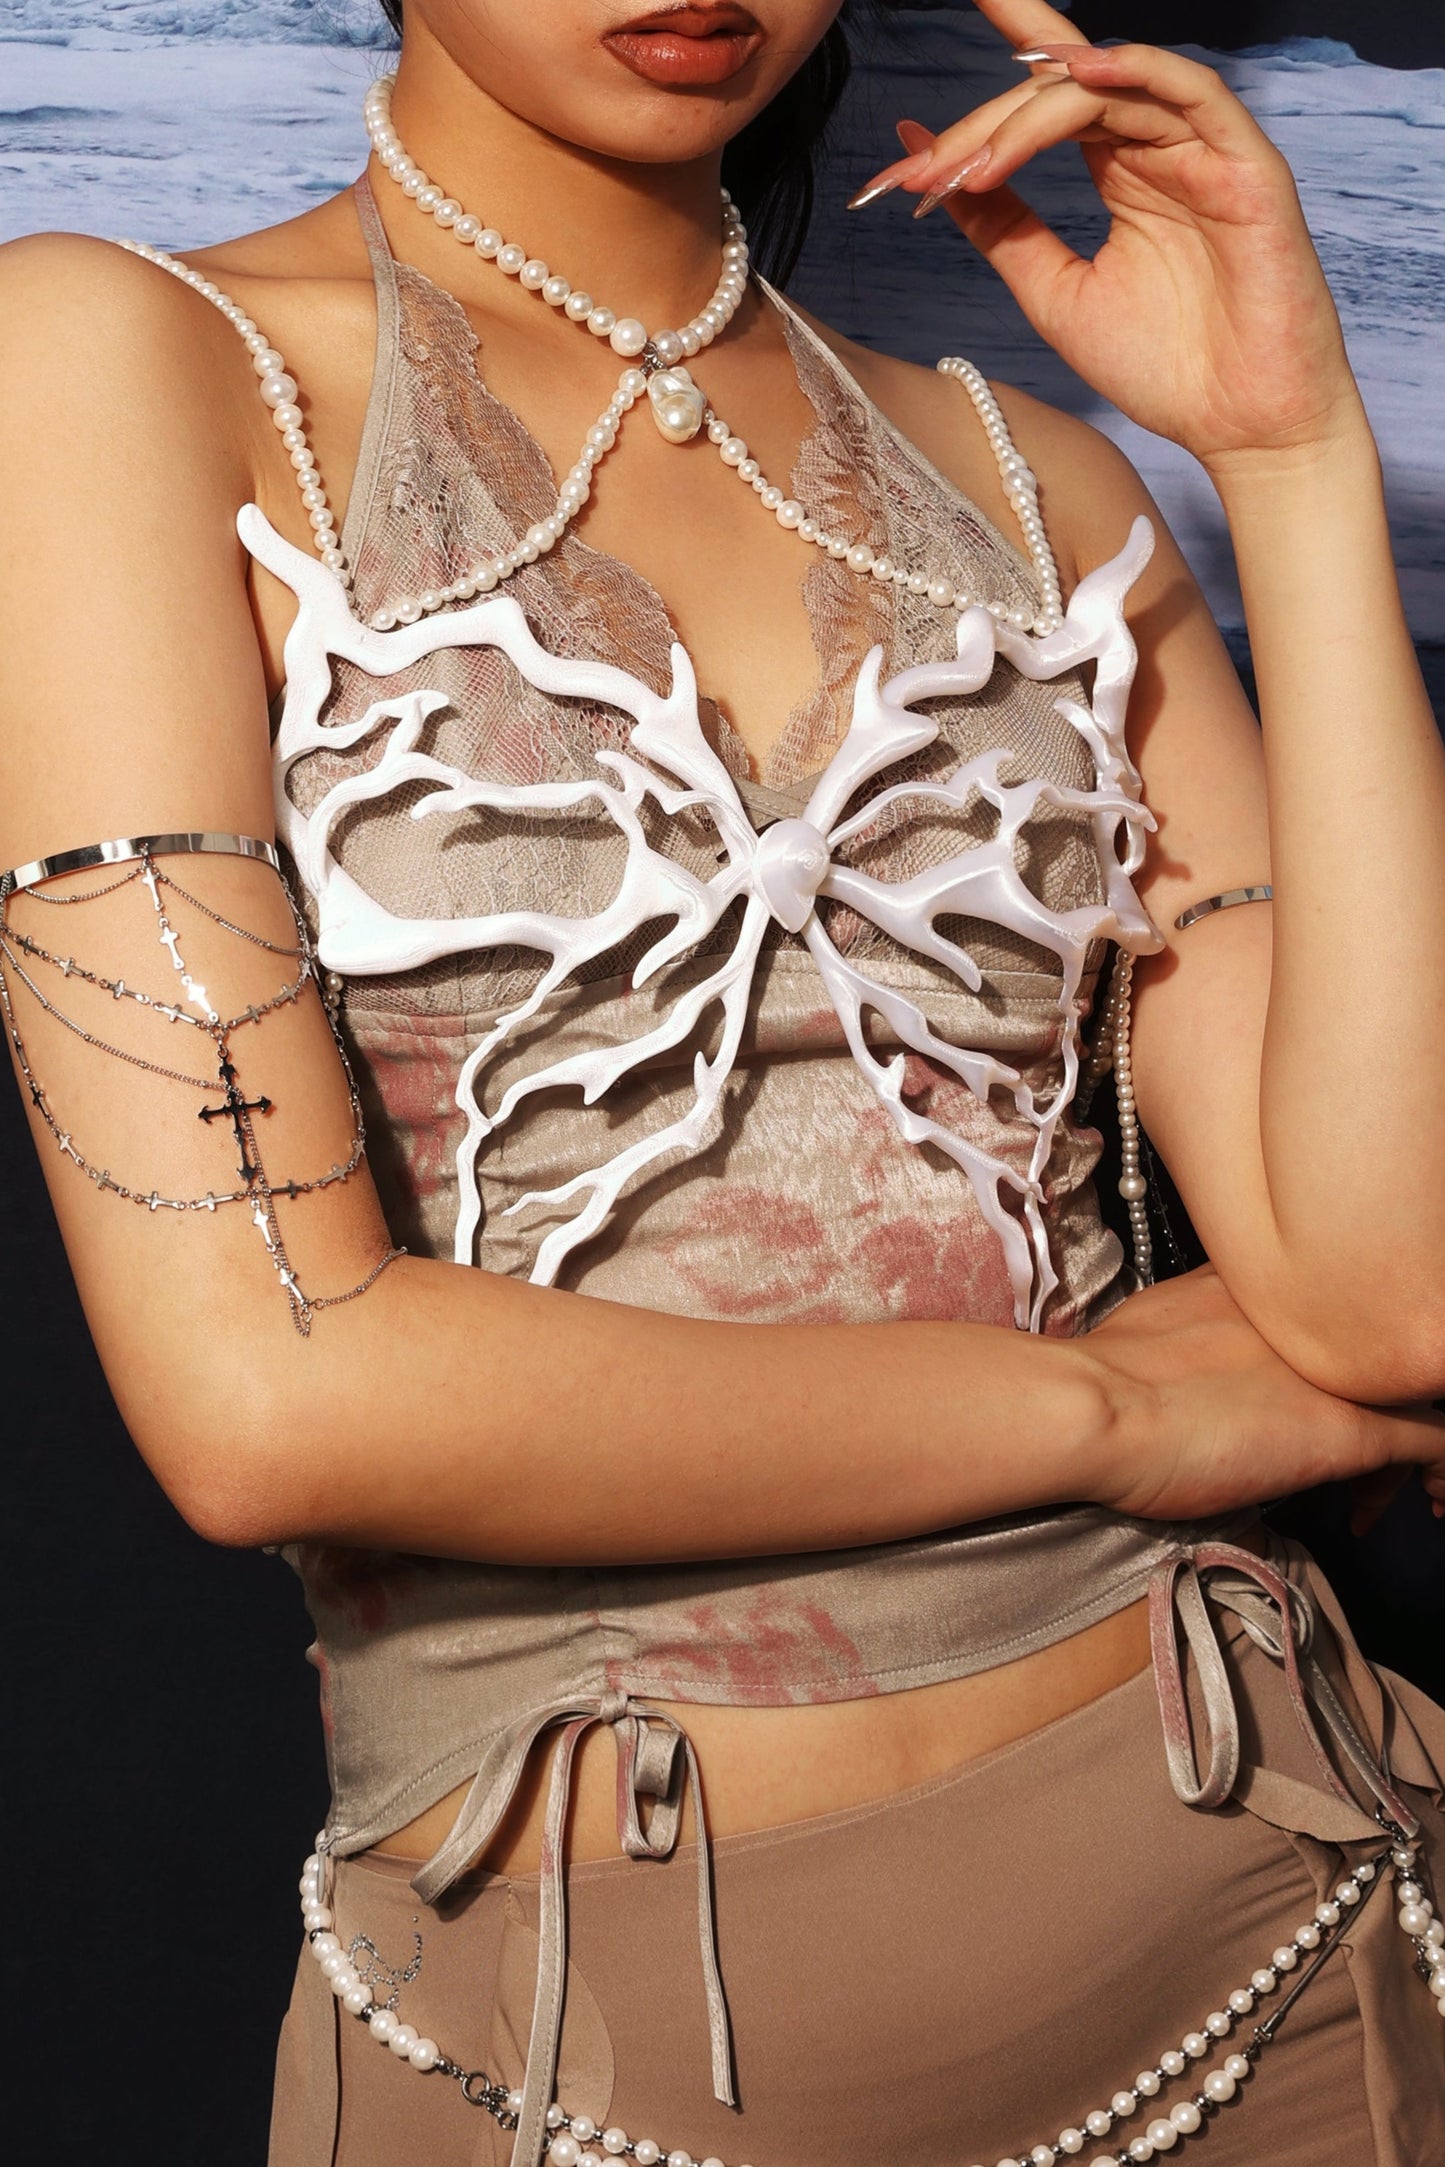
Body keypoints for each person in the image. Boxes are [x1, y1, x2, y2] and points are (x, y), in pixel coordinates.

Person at [1, 1, 1443, 2161]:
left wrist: (1294, 453)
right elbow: (267, 1395)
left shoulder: (1038, 486)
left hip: (1287, 1911)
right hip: (591, 2049)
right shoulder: (122, 358)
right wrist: (1122, 1410)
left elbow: (1394, 1295)